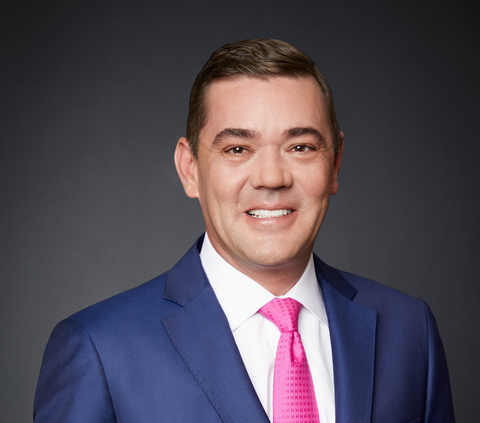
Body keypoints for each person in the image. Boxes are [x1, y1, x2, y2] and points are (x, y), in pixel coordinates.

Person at [34, 38, 455, 422]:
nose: (271, 177)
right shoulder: (99, 349)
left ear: (335, 163)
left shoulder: (409, 329)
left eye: (300, 147)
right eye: (238, 149)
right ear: (190, 169)